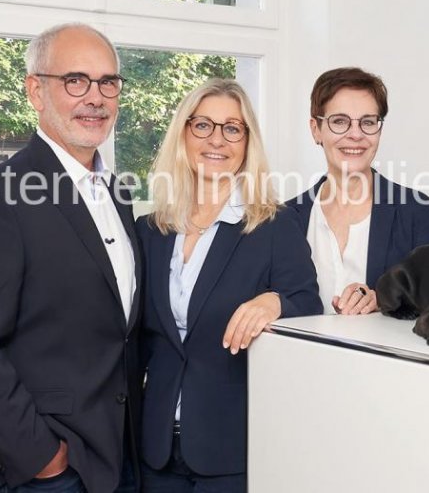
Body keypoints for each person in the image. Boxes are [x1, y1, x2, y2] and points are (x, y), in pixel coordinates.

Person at [0, 23, 141, 493]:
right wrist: (43, 460)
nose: (95, 98)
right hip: (45, 470)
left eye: (107, 82)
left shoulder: (120, 194)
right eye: (76, 80)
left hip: (121, 457)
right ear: (36, 90)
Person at [136, 78, 323, 491]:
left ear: (246, 141)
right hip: (155, 448)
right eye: (202, 125)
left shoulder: (273, 225)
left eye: (232, 128)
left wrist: (275, 302)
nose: (216, 140)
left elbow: (309, 304)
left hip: (230, 450)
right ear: (183, 134)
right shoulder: (150, 231)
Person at [286, 67, 429, 315]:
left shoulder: (418, 211)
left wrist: (383, 298)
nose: (355, 135)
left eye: (367, 122)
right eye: (339, 122)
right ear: (316, 129)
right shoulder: (287, 217)